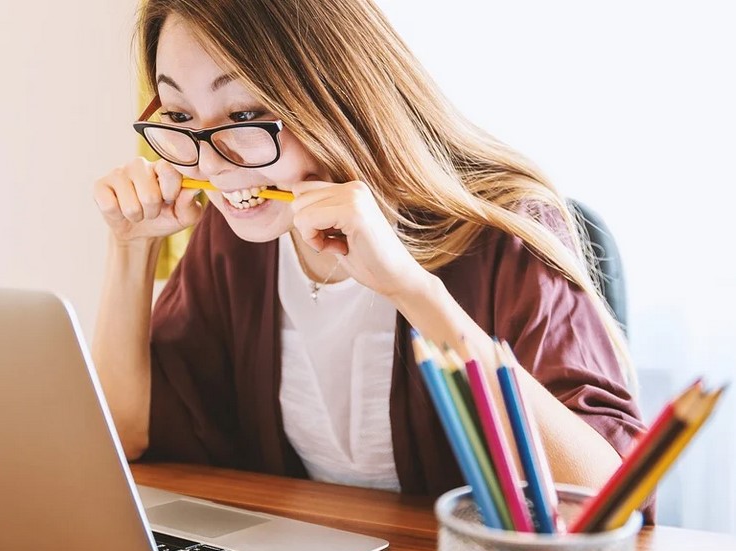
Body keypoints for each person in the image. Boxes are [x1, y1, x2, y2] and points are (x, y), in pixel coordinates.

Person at [92, 0, 651, 518]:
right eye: (182, 117)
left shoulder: (504, 233)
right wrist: (132, 247)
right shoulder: (235, 239)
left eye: (243, 115)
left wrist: (413, 290)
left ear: (336, 95)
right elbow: (124, 434)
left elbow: (608, 499)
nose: (213, 166)